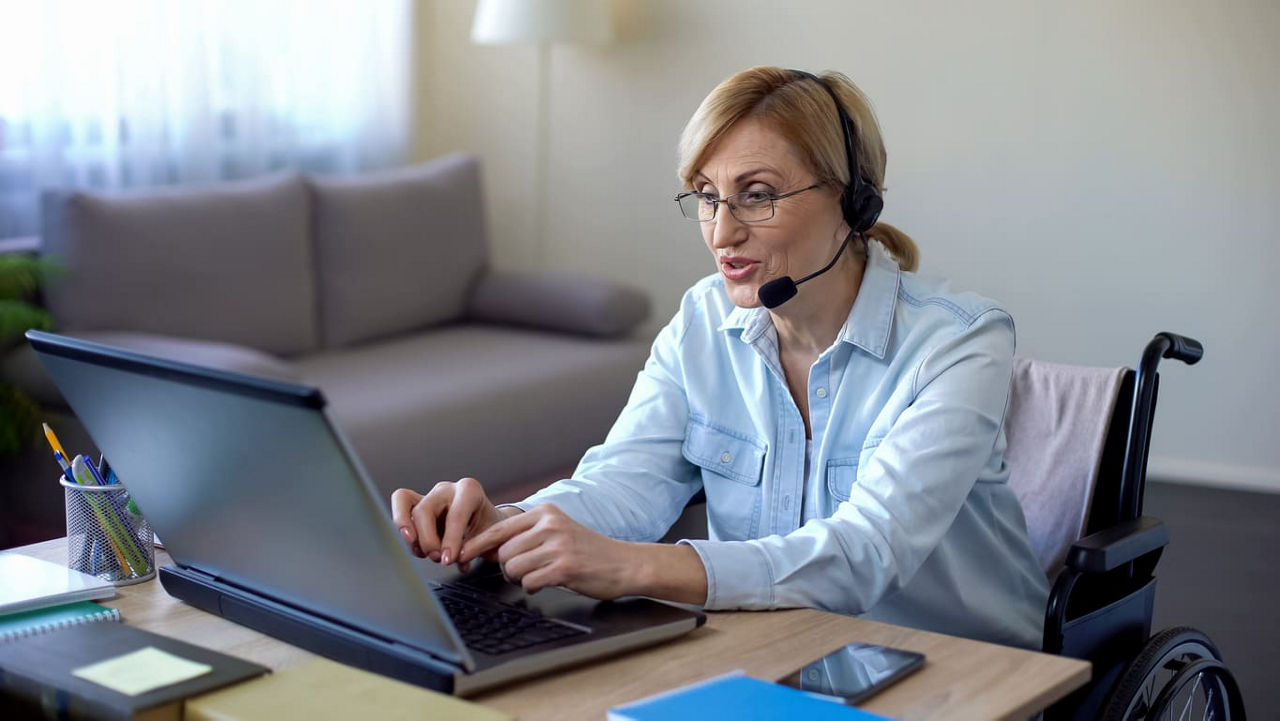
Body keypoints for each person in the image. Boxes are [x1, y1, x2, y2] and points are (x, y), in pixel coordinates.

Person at [392, 66, 1049, 649]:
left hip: (957, 665)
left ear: (854, 200)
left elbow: (866, 550)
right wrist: (507, 525)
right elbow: (623, 481)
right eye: (706, 194)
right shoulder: (703, 322)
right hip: (774, 646)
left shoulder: (960, 342)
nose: (721, 230)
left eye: (756, 194)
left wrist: (633, 565)